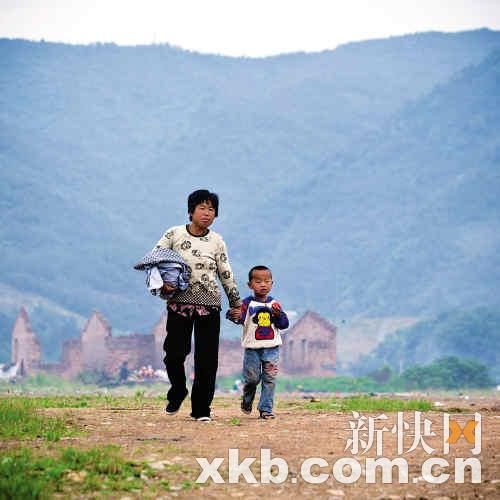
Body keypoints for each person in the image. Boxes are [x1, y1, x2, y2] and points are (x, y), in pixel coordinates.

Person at [155, 189, 241, 421]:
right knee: (174, 354)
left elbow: (225, 273)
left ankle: (201, 409)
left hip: (209, 306)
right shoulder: (174, 234)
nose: (207, 213)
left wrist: (236, 303)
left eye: (211, 209)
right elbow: (155, 260)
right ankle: (178, 391)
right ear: (191, 211)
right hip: (179, 304)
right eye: (202, 208)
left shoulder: (217, 241)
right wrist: (163, 284)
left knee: (207, 360)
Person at [234, 265, 289, 419]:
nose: (263, 285)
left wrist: (278, 315)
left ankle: (266, 409)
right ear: (250, 285)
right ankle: (247, 398)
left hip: (272, 348)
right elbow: (238, 317)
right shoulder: (246, 304)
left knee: (269, 379)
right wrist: (233, 314)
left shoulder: (274, 304)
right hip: (252, 348)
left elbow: (284, 324)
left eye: (267, 281)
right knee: (252, 379)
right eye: (258, 282)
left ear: (272, 283)